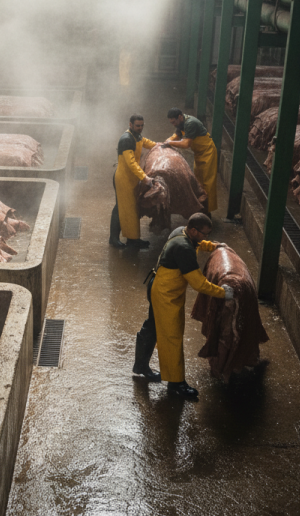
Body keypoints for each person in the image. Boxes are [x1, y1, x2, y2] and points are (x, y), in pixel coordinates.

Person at [132, 213, 233, 398]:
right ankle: (176, 384)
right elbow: (199, 283)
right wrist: (223, 292)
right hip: (165, 295)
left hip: (158, 286)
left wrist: (213, 246)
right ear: (193, 230)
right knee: (172, 336)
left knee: (153, 327)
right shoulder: (184, 248)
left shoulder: (181, 232)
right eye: (204, 234)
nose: (205, 237)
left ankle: (140, 365)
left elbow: (199, 243)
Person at [110, 114, 156, 249]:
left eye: (142, 125)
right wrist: (145, 178)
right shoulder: (126, 139)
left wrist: (160, 146)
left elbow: (146, 143)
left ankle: (133, 239)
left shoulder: (137, 135)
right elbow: (131, 163)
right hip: (123, 179)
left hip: (132, 179)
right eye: (137, 126)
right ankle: (113, 239)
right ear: (130, 125)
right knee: (120, 208)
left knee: (132, 209)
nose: (140, 128)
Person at [163, 108, 218, 215]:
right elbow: (177, 136)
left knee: (208, 183)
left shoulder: (190, 123)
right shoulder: (180, 123)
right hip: (198, 153)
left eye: (174, 122)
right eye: (171, 122)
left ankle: (207, 211)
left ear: (180, 116)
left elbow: (186, 144)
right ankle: (200, 207)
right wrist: (165, 142)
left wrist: (170, 143)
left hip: (208, 152)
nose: (173, 124)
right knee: (198, 181)